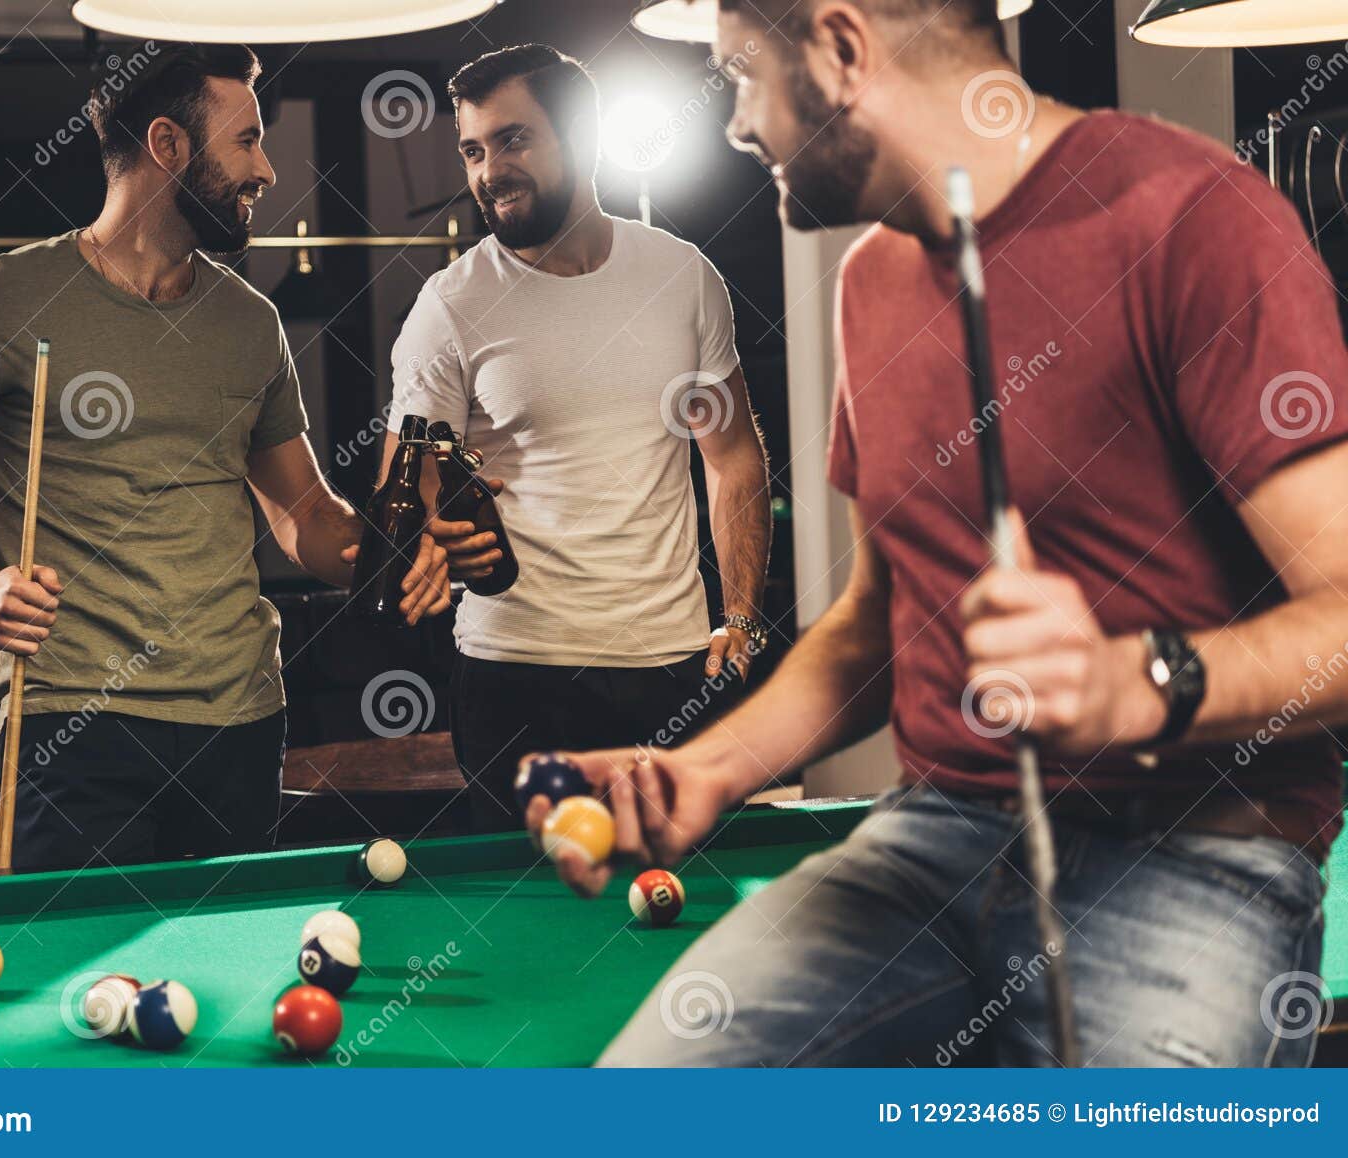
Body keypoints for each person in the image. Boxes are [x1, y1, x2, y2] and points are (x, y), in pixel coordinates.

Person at [529, 0, 1348, 1066]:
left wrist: (1135, 685)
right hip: (932, 841)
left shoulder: (1192, 216)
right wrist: (710, 769)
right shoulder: (871, 282)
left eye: (741, 74)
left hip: (1198, 856)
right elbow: (880, 617)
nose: (735, 123)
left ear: (840, 46)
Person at [0, 43, 449, 873]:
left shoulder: (248, 321)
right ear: (167, 145)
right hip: (73, 723)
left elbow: (305, 514)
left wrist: (392, 557)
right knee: (81, 992)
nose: (268, 170)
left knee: (227, 991)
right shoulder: (4, 299)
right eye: (246, 142)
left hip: (240, 718)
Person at [385, 44, 774, 831]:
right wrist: (424, 529)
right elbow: (409, 479)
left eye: (514, 140)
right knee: (530, 923)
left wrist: (740, 617)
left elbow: (733, 459)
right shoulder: (451, 304)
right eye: (472, 149)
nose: (489, 169)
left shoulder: (683, 275)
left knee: (668, 904)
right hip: (513, 676)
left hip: (668, 669)